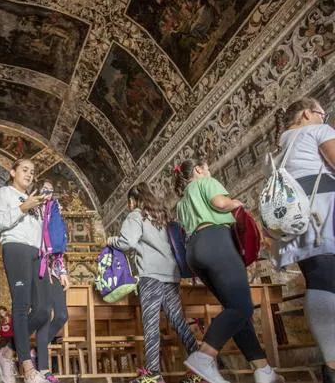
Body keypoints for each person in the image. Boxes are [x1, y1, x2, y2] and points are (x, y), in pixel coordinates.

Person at [174, 158, 283, 383]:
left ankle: (262, 369)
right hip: (216, 242)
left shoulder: (182, 202)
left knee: (235, 309)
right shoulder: (206, 182)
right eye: (207, 167)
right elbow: (220, 204)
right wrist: (237, 203)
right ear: (198, 169)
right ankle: (205, 356)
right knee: (241, 306)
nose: (209, 171)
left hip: (194, 252)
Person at [107, 182, 201, 383]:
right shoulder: (163, 216)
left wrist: (110, 241)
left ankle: (153, 375)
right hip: (171, 276)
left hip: (151, 276)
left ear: (133, 200)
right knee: (178, 322)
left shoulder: (136, 215)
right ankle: (203, 368)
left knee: (150, 324)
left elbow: (127, 243)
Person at [271, 98, 335, 383]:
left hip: (298, 223)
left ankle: (331, 363)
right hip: (325, 213)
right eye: (323, 113)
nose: (324, 117)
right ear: (309, 113)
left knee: (319, 279)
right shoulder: (317, 131)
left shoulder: (279, 150)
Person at [0, 158, 52, 383]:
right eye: (24, 170)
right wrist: (22, 208)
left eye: (32, 171)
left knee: (44, 309)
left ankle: (8, 350)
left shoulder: (33, 200)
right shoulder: (4, 193)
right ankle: (28, 369)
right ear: (13, 172)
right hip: (15, 248)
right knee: (21, 306)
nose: (29, 174)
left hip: (36, 253)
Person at [34, 179, 70, 383]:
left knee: (62, 315)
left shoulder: (54, 209)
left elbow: (58, 242)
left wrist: (63, 271)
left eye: (50, 189)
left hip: (54, 269)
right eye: (44, 190)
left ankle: (36, 350)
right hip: (38, 267)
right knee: (45, 316)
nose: (48, 193)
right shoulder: (33, 212)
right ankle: (44, 371)